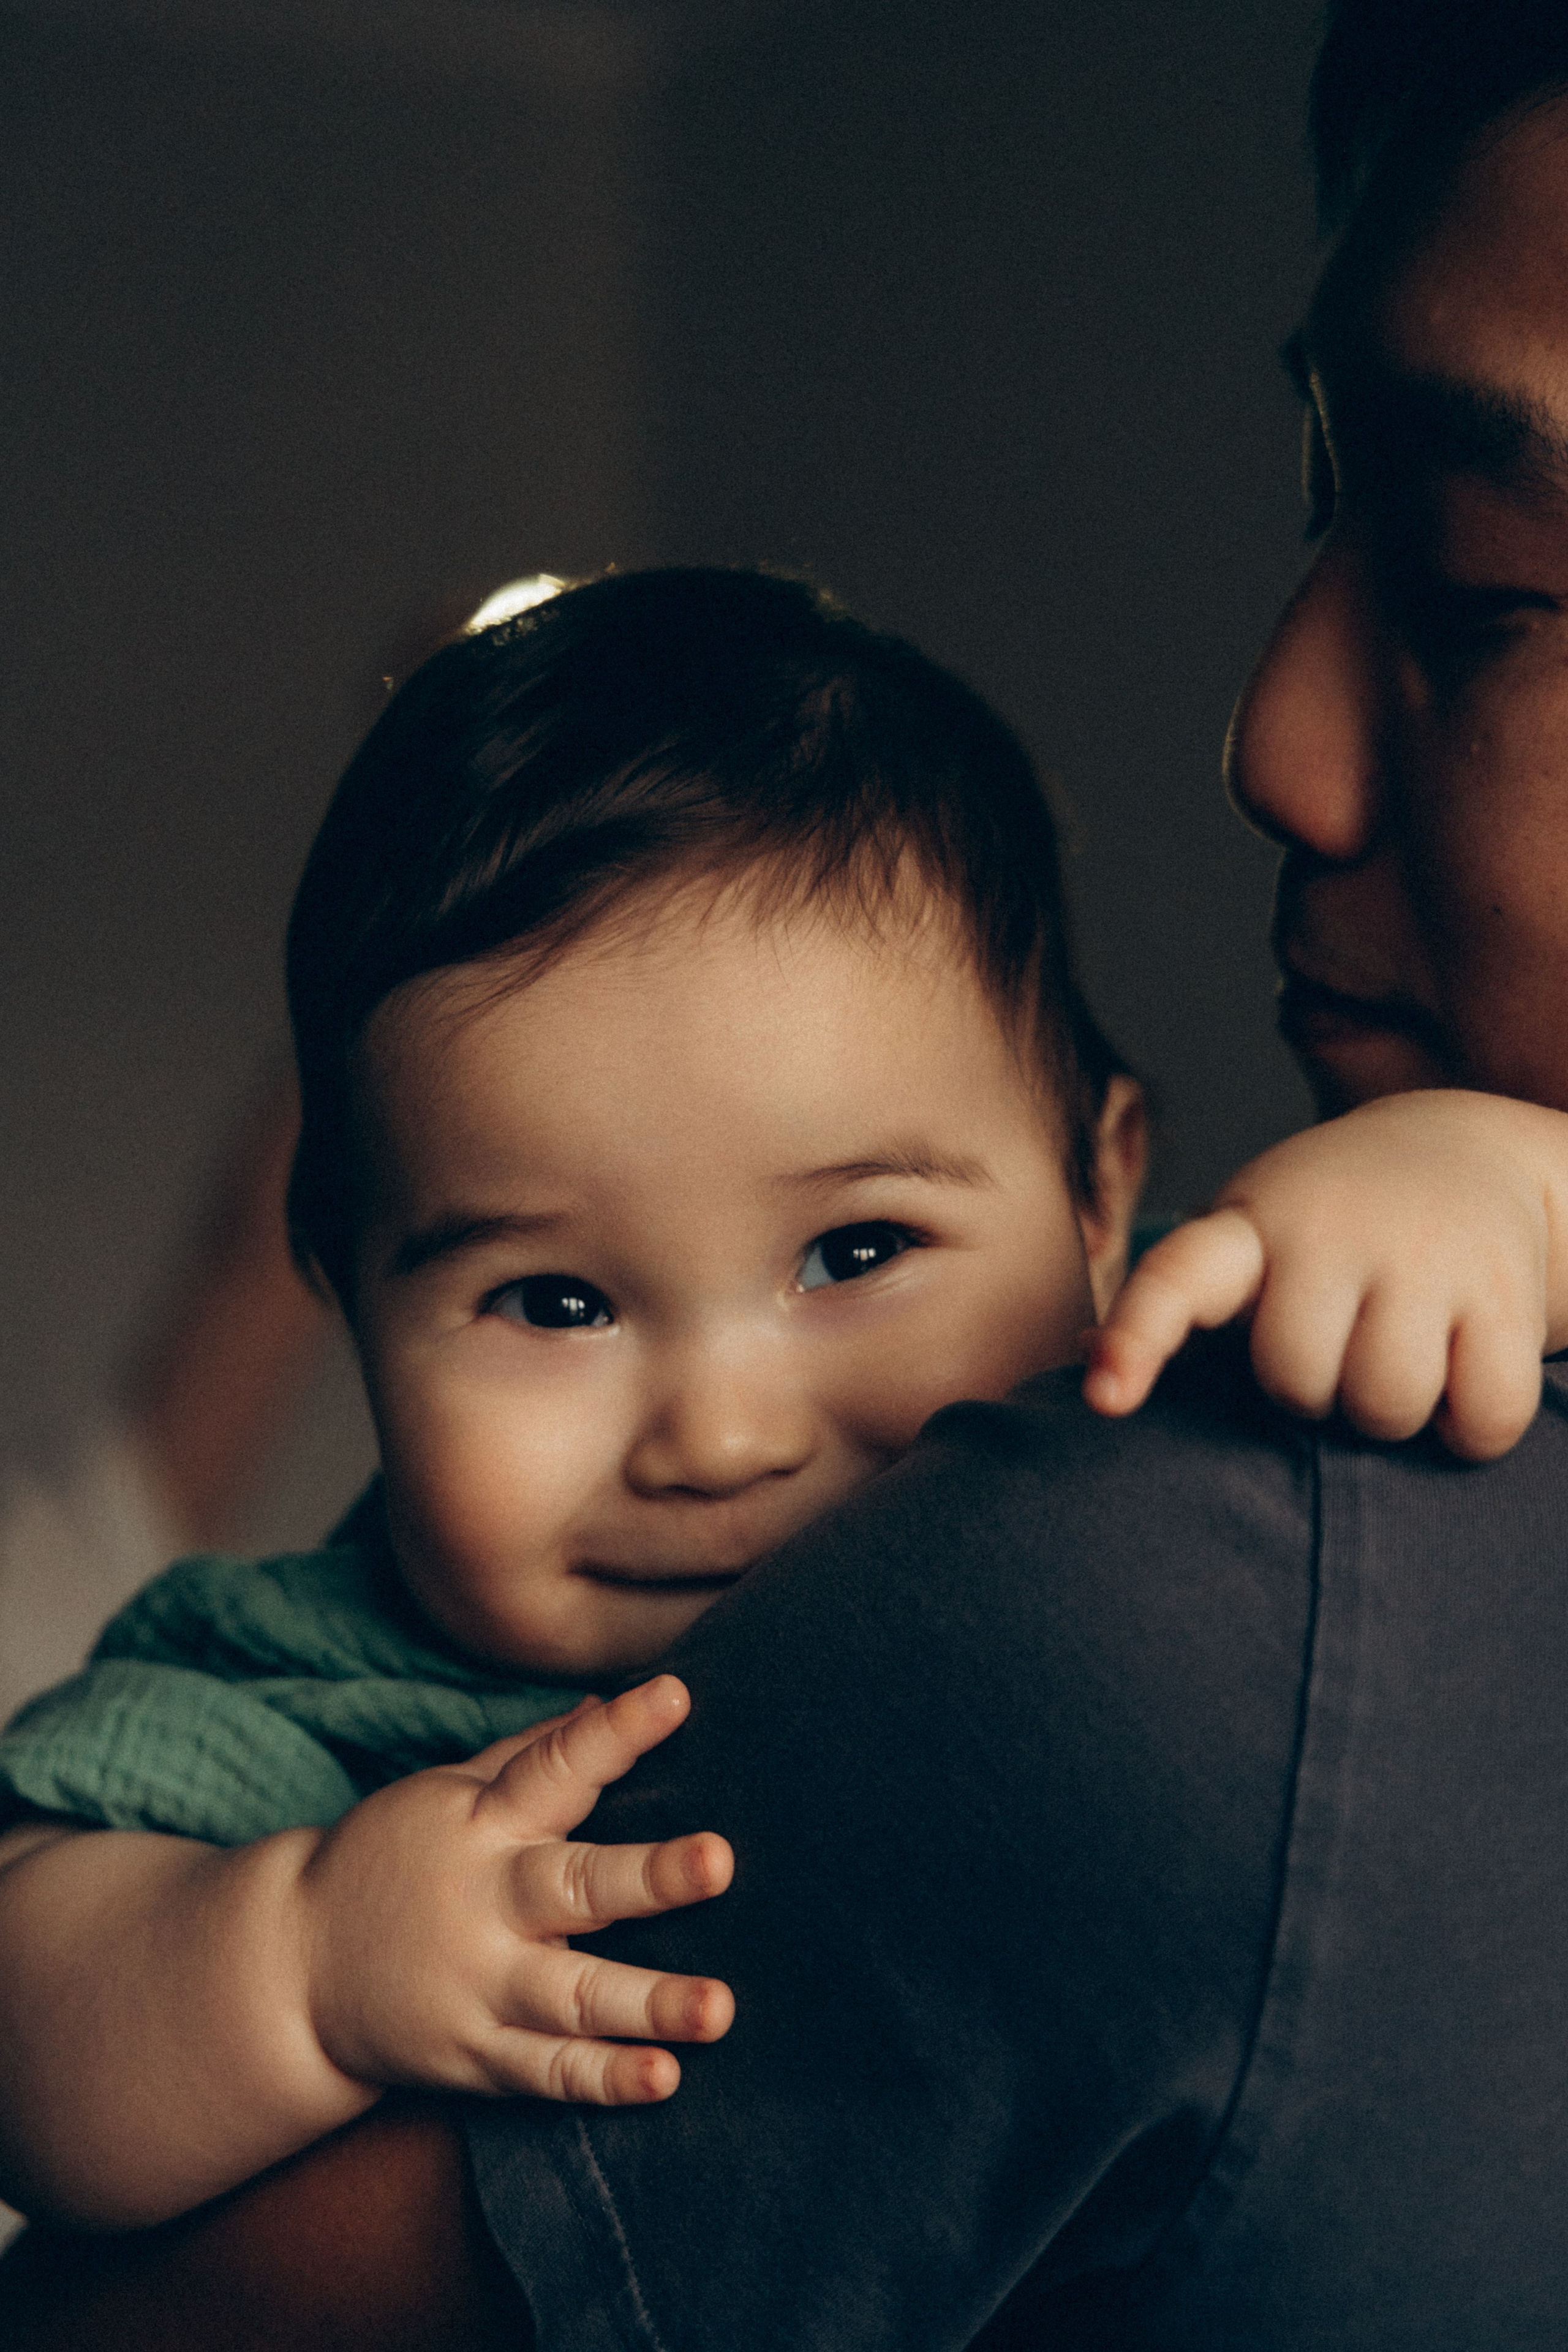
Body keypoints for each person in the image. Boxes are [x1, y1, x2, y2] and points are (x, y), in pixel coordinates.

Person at [12, 1, 1568, 2334]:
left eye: (856, 1249)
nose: (724, 1428)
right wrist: (297, 1955)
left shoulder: (1171, 1404)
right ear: (340, 1275)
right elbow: (32, 2010)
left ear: (1110, 1198)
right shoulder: (309, 1696)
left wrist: (1505, 1199)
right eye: (553, 1301)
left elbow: (1357, 1307)